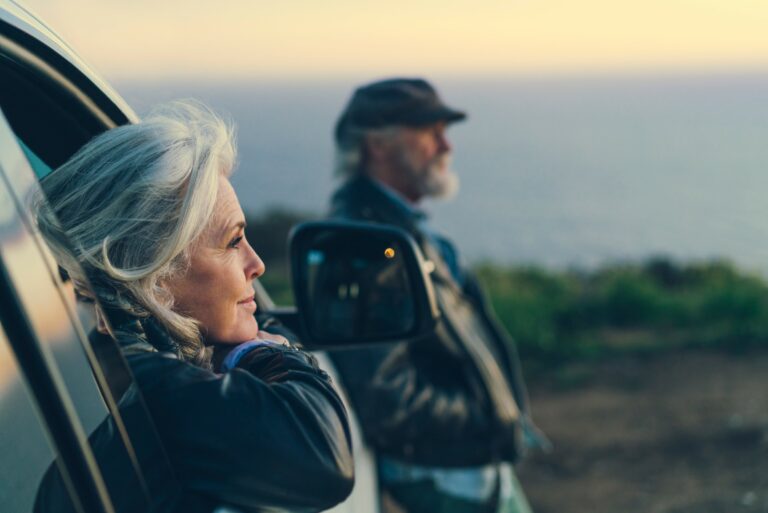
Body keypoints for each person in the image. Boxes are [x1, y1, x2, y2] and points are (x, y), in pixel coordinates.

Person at [34, 101, 354, 512]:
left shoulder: (93, 356)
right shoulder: (146, 388)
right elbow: (322, 456)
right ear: (154, 270)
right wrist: (262, 351)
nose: (255, 264)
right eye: (233, 242)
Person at [328, 78, 547, 513]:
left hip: (465, 471)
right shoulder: (364, 244)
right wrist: (486, 414)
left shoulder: (394, 228)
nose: (446, 146)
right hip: (448, 482)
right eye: (430, 132)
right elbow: (387, 396)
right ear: (378, 144)